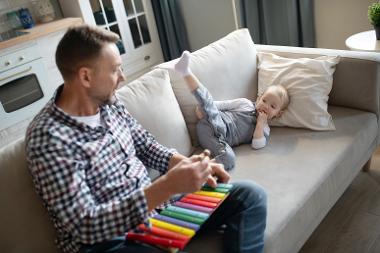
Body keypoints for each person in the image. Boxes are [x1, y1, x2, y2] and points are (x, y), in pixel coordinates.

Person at [25, 25, 267, 253]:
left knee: (250, 195)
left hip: (158, 211)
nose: (122, 76)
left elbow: (147, 146)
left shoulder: (108, 103)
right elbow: (85, 225)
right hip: (112, 242)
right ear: (85, 77)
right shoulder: (48, 139)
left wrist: (192, 167)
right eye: (114, 69)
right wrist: (168, 186)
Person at [161, 51, 289, 171]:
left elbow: (257, 144)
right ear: (259, 98)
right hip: (215, 121)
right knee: (209, 104)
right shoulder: (245, 103)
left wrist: (260, 124)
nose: (266, 106)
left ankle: (195, 169)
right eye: (265, 100)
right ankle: (185, 71)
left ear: (278, 114)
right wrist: (203, 109)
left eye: (272, 106)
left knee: (229, 160)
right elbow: (221, 105)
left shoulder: (265, 128)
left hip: (218, 140)